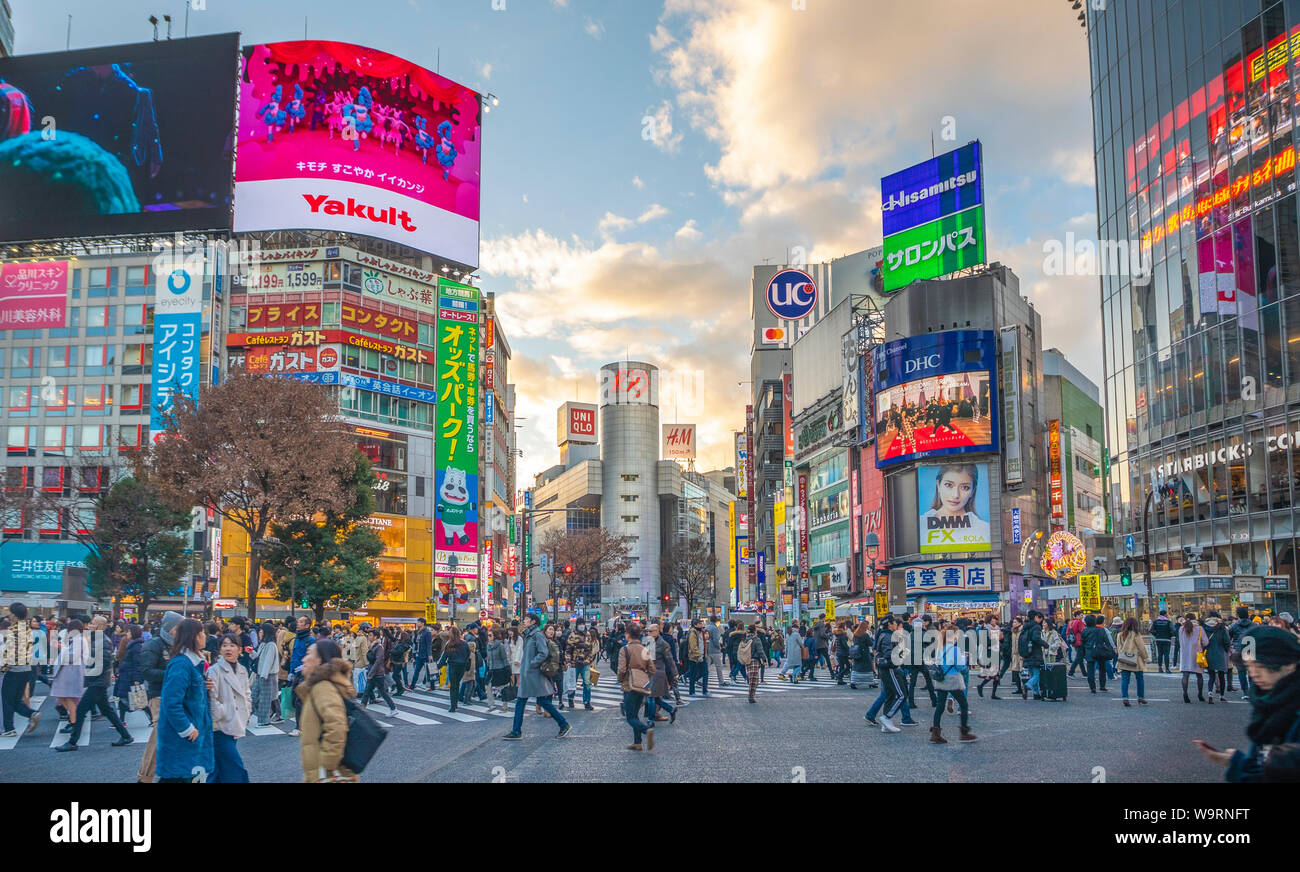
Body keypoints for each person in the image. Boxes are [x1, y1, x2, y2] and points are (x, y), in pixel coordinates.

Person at [1196, 626, 1300, 782]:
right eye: (1249, 666)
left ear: (1288, 664)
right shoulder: (1268, 702)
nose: (1253, 673)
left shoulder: (1279, 706)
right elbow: (1264, 766)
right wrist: (1236, 762)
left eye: (1261, 666)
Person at [55, 616, 135, 752]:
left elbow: (101, 663)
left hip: (97, 682)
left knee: (80, 710)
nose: (90, 625)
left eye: (92, 624)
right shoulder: (95, 639)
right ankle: (126, 736)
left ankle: (72, 741)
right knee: (107, 711)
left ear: (100, 626)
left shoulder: (103, 641)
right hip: (98, 681)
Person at [157, 619, 215, 783]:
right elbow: (171, 702)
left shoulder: (194, 662)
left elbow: (189, 694)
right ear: (194, 636)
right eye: (202, 632)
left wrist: (204, 686)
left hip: (192, 736)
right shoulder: (182, 664)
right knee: (177, 777)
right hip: (182, 738)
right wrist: (187, 728)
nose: (205, 636)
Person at [297, 638, 359, 782]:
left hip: (327, 775)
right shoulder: (322, 685)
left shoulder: (323, 687)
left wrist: (326, 765)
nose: (304, 659)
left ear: (319, 660)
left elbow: (336, 727)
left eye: (308, 654)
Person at [504, 614, 570, 740]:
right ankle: (517, 730)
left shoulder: (537, 635)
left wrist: (532, 663)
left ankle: (563, 724)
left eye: (526, 619)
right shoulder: (528, 635)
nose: (524, 621)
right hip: (529, 674)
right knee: (535, 701)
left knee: (533, 701)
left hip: (533, 674)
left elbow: (543, 652)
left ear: (533, 621)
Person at [207, 634, 252, 782]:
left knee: (219, 769)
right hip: (220, 727)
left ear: (239, 650)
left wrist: (247, 710)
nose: (228, 648)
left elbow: (247, 693)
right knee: (235, 768)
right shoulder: (215, 670)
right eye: (224, 645)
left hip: (236, 723)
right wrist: (224, 712)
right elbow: (212, 697)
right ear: (220, 649)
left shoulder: (242, 670)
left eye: (232, 645)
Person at [929, 625, 976, 743]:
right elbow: (960, 667)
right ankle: (964, 732)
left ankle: (935, 733)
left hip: (941, 679)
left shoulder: (940, 648)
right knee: (963, 704)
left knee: (940, 706)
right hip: (952, 679)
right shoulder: (954, 649)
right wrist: (965, 659)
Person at [1, 603, 40, 738]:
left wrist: (3, 668)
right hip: (26, 668)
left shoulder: (14, 630)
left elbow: (9, 652)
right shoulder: (27, 628)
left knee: (7, 699)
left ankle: (9, 728)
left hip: (14, 669)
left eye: (10, 612)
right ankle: (32, 714)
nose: (9, 614)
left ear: (14, 614)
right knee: (16, 700)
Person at [865, 615, 908, 733]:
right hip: (890, 668)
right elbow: (889, 654)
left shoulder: (882, 634)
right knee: (902, 695)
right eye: (894, 623)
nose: (896, 625)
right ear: (889, 624)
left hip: (885, 669)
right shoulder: (888, 636)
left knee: (889, 695)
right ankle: (887, 717)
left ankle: (886, 725)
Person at [617, 622, 655, 751]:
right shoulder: (644, 649)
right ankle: (637, 742)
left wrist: (620, 680)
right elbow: (652, 669)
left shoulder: (625, 649)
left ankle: (646, 730)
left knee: (630, 717)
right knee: (635, 714)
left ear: (627, 635)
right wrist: (644, 676)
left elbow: (621, 669)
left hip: (629, 684)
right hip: (642, 685)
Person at [51, 619, 87, 736]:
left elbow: (72, 657)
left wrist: (63, 650)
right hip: (69, 672)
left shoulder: (79, 640)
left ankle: (73, 721)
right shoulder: (76, 639)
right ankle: (73, 719)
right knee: (63, 696)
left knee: (68, 697)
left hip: (71, 672)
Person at [113, 624, 149, 726]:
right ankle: (121, 720)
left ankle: (121, 720)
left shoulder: (136, 647)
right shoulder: (133, 645)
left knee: (137, 699)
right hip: (126, 675)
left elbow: (138, 664)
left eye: (128, 632)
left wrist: (137, 679)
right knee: (125, 697)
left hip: (130, 676)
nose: (127, 634)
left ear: (133, 633)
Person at [359, 628, 398, 716]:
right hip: (373, 672)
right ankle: (362, 708)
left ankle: (393, 708)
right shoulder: (372, 645)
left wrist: (371, 673)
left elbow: (378, 661)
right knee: (367, 691)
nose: (369, 637)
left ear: (375, 636)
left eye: (370, 635)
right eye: (368, 635)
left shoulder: (379, 647)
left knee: (382, 692)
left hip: (377, 673)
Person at [250, 623, 281, 726]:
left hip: (266, 676)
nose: (259, 633)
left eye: (261, 631)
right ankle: (249, 715)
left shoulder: (271, 645)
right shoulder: (264, 644)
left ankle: (264, 721)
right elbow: (258, 658)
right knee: (253, 696)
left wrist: (263, 675)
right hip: (261, 674)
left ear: (265, 632)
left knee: (264, 699)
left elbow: (268, 661)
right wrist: (251, 652)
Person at [1115, 617, 1149, 707]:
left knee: (1125, 679)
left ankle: (1125, 697)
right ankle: (1140, 697)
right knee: (1140, 678)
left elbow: (1119, 648)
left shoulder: (1120, 635)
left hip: (1124, 659)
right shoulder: (1136, 635)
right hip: (1136, 660)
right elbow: (1141, 647)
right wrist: (1146, 658)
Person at [1178, 613, 1209, 703]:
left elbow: (1180, 641)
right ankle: (1200, 694)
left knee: (1185, 675)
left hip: (1185, 654)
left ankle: (1185, 693)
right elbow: (1206, 642)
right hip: (1197, 654)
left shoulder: (1181, 629)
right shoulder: (1199, 629)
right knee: (1199, 675)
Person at [565, 620, 595, 710]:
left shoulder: (588, 635)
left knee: (587, 683)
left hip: (585, 663)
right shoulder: (572, 635)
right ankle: (570, 698)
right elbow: (568, 650)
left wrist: (590, 660)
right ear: (577, 625)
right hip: (574, 663)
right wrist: (568, 661)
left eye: (583, 624)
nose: (581, 626)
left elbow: (590, 649)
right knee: (572, 683)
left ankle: (587, 702)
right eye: (580, 624)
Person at [1203, 612, 1231, 704]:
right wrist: (1227, 650)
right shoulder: (1222, 627)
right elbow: (1227, 641)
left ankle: (1210, 694)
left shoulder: (1204, 627)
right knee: (1221, 676)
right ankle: (1222, 696)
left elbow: (1202, 641)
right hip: (1220, 653)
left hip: (1208, 653)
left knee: (1211, 676)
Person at [1080, 614, 1111, 694]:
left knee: (1090, 670)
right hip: (1100, 651)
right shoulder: (1101, 630)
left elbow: (1082, 644)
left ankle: (1092, 687)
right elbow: (1106, 641)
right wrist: (1109, 650)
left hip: (1089, 651)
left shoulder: (1084, 631)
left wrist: (1083, 654)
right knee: (1102, 669)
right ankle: (1102, 686)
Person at [1229, 606, 1255, 699]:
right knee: (1251, 671)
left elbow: (1229, 638)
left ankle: (1245, 692)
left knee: (1241, 672)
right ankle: (1252, 691)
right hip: (1251, 649)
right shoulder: (1253, 625)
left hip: (1238, 650)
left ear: (1238, 615)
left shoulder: (1234, 626)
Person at [1020, 611, 1046, 700]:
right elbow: (1036, 638)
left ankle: (1036, 693)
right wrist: (1045, 644)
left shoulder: (1025, 627)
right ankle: (1028, 685)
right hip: (1035, 652)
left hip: (1027, 653)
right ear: (1035, 617)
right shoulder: (1036, 627)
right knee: (1037, 674)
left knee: (1032, 673)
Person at [485, 629, 512, 712]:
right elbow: (488, 659)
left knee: (502, 687)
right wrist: (488, 667)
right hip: (491, 669)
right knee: (487, 686)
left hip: (500, 669)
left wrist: (507, 669)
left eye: (490, 635)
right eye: (488, 635)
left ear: (494, 636)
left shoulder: (500, 646)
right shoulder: (488, 646)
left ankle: (505, 706)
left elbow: (504, 658)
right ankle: (491, 705)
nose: (488, 637)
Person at [410, 618, 434, 690]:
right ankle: (412, 685)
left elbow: (429, 644)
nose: (417, 623)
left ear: (422, 623)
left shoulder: (427, 632)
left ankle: (432, 686)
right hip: (419, 655)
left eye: (418, 622)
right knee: (416, 670)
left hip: (426, 655)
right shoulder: (418, 632)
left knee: (429, 671)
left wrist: (430, 655)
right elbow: (416, 644)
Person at [686, 618, 708, 696]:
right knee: (693, 674)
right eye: (699, 623)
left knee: (705, 673)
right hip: (695, 657)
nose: (701, 625)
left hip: (701, 655)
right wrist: (699, 656)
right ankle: (692, 691)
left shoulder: (700, 632)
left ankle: (705, 690)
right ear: (695, 624)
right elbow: (693, 646)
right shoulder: (693, 632)